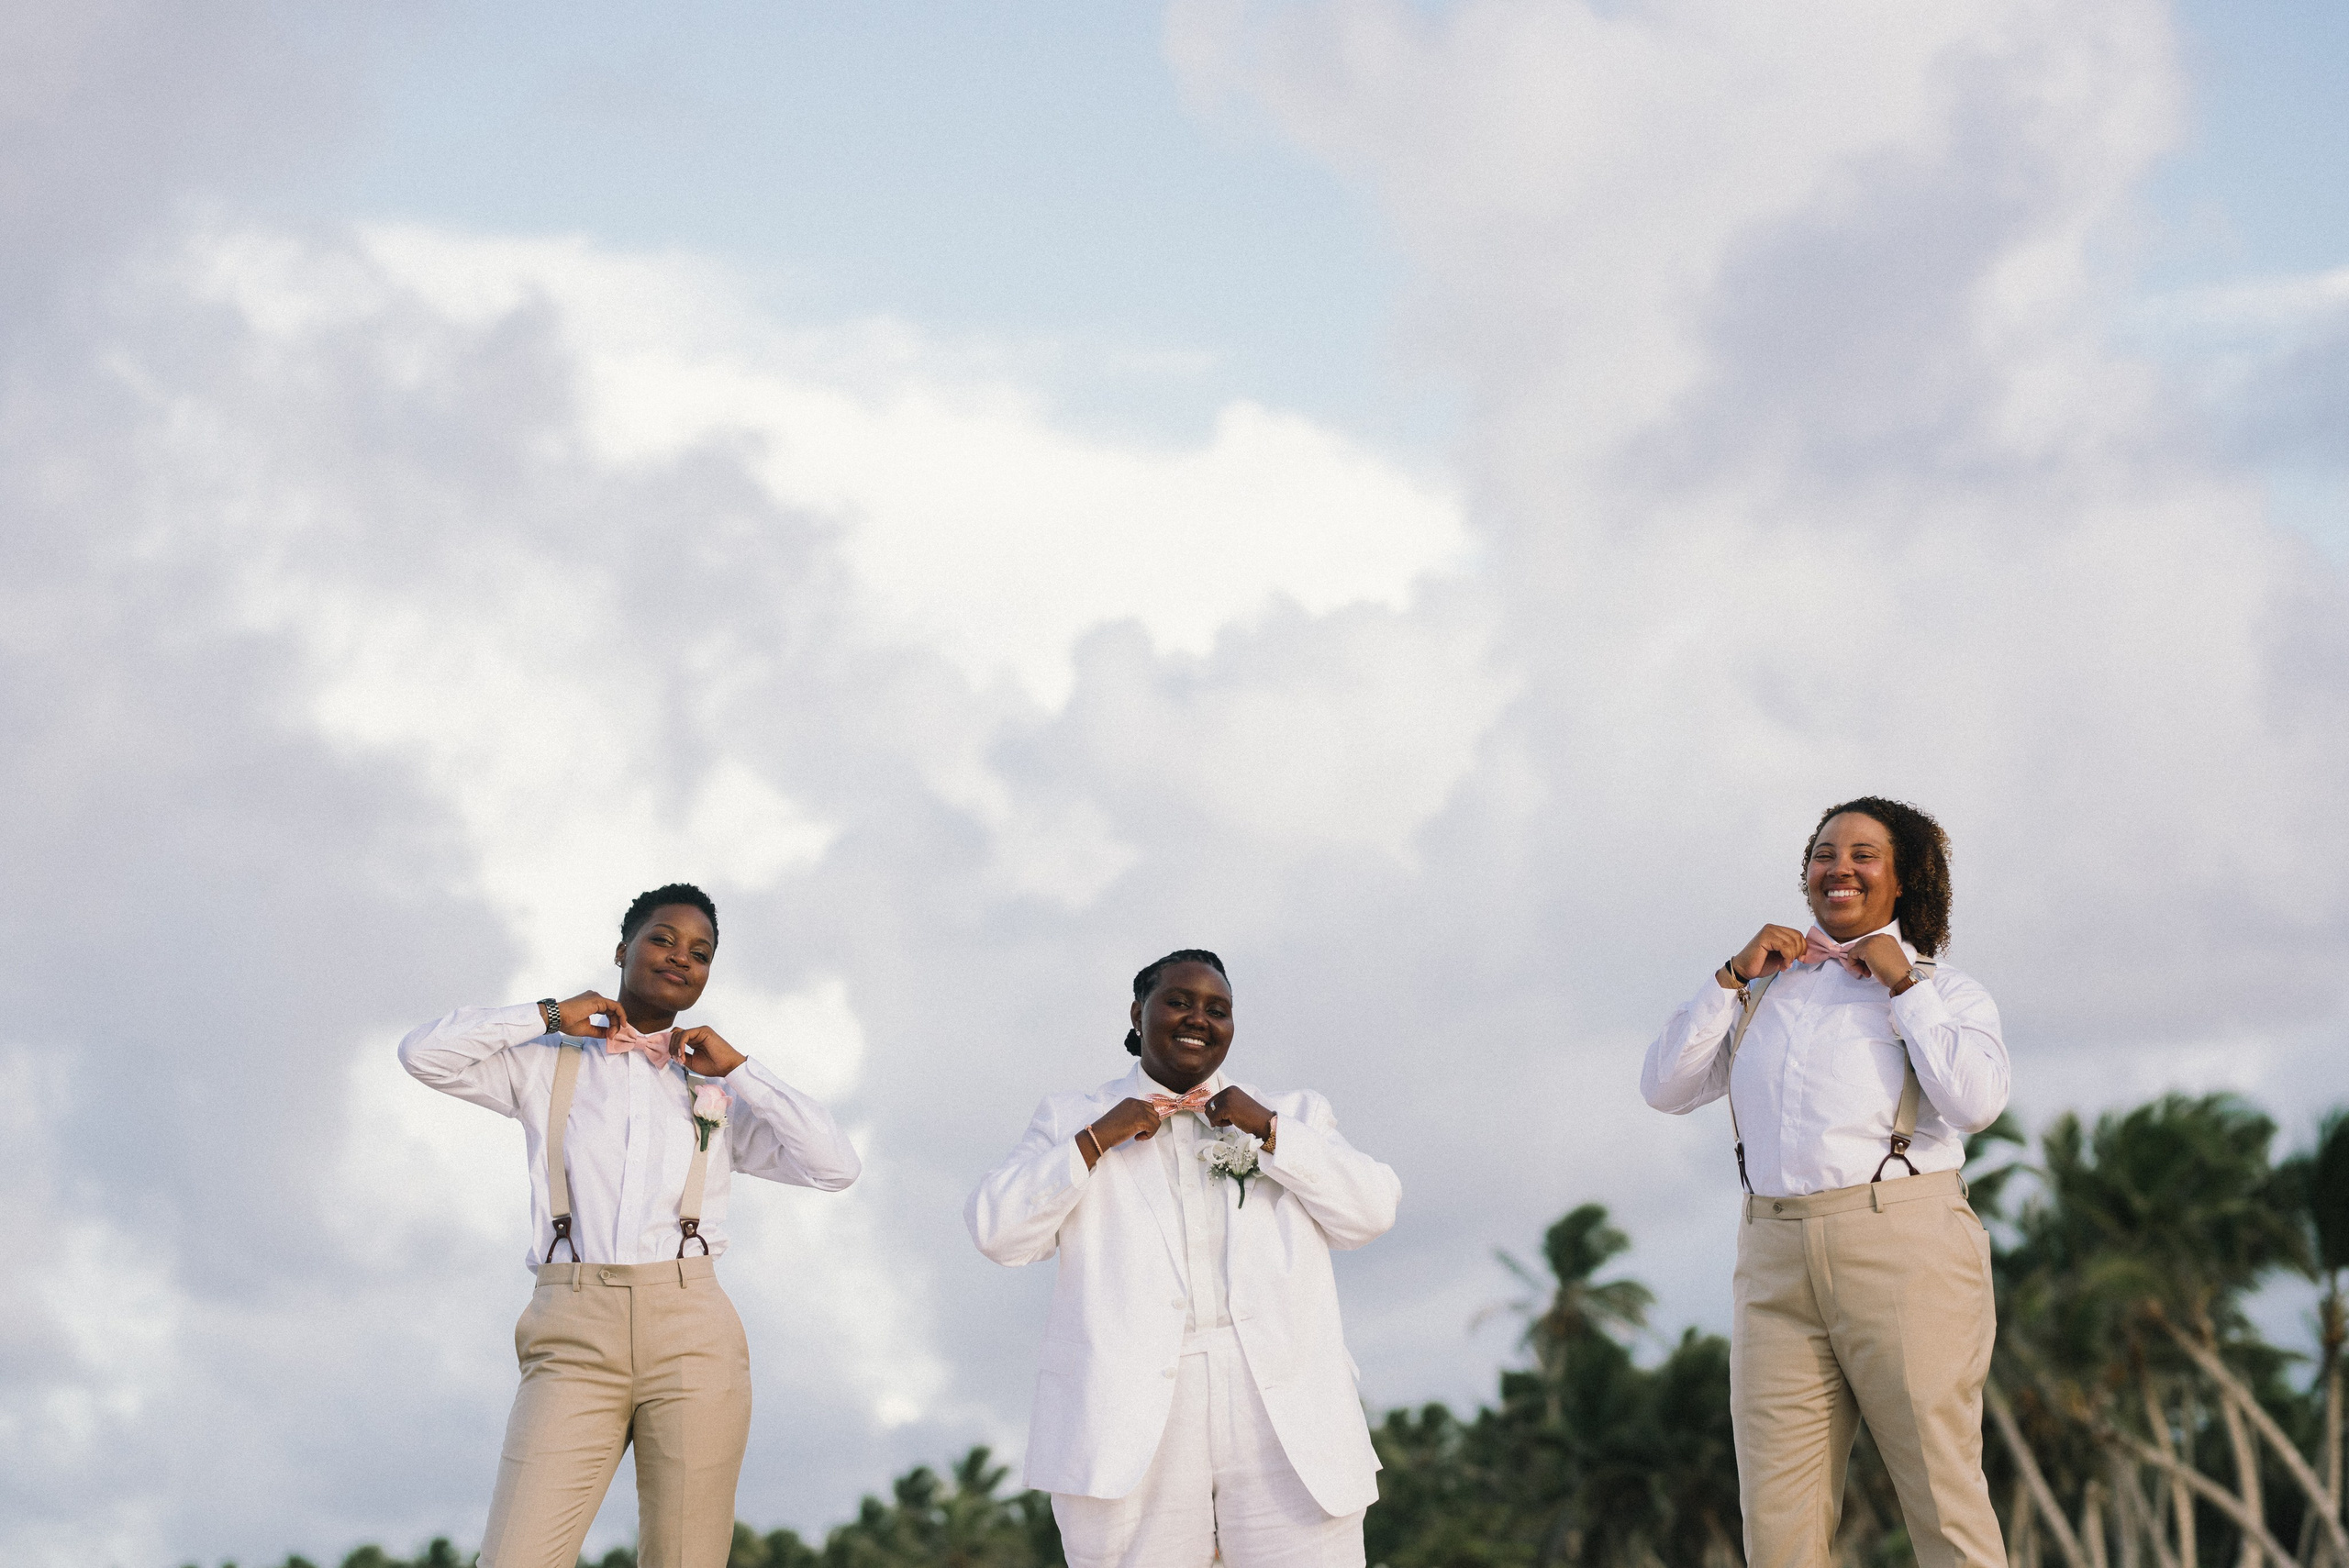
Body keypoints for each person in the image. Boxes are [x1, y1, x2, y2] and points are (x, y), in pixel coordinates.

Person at [398, 883, 861, 1568]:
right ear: (623, 948)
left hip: (693, 1330)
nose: (681, 958)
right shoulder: (544, 1061)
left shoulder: (719, 1090)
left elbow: (835, 1165)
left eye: (700, 953)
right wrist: (549, 1013)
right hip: (573, 1330)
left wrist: (739, 1067)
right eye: (663, 939)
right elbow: (422, 1054)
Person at [1641, 798, 2010, 1568]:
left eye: (1863, 853)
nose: (1838, 866)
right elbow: (1665, 1087)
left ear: (1904, 878)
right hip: (1773, 1249)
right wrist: (1731, 976)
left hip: (1903, 1245)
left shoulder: (1948, 991)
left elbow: (1975, 1103)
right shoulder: (1764, 991)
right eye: (1823, 852)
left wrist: (1904, 985)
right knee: (1777, 1522)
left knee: (1942, 1495)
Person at [967, 949, 1400, 1568]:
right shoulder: (1071, 1118)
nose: (1199, 1016)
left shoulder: (1296, 1113)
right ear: (1138, 1013)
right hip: (1131, 1421)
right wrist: (1096, 1139)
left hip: (1283, 1411)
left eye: (1218, 1009)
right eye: (1179, 1000)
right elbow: (998, 1231)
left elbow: (1371, 1211)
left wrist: (1271, 1130)